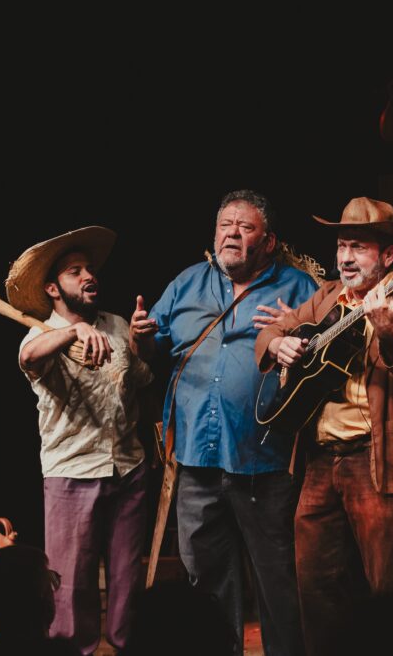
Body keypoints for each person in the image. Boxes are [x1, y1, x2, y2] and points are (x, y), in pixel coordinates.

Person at [130, 190, 317, 656]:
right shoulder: (187, 284)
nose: (231, 233)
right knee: (207, 584)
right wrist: (140, 339)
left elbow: (327, 357)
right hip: (196, 457)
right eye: (224, 225)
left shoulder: (298, 288)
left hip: (267, 459)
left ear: (269, 240)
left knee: (278, 584)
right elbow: (154, 351)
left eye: (245, 226)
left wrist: (296, 336)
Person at [256, 197, 393, 656]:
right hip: (319, 463)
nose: (344, 257)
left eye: (357, 247)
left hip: (373, 461)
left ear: (389, 255)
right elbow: (270, 331)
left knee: (388, 585)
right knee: (316, 588)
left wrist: (390, 332)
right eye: (341, 246)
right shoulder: (326, 297)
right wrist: (278, 344)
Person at [7, 226, 153, 654]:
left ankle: (129, 648)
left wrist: (142, 346)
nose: (89, 276)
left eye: (90, 269)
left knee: (128, 580)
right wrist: (72, 333)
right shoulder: (41, 334)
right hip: (72, 475)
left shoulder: (115, 324)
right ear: (53, 288)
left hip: (128, 470)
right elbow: (28, 358)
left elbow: (142, 379)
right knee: (70, 588)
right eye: (75, 271)